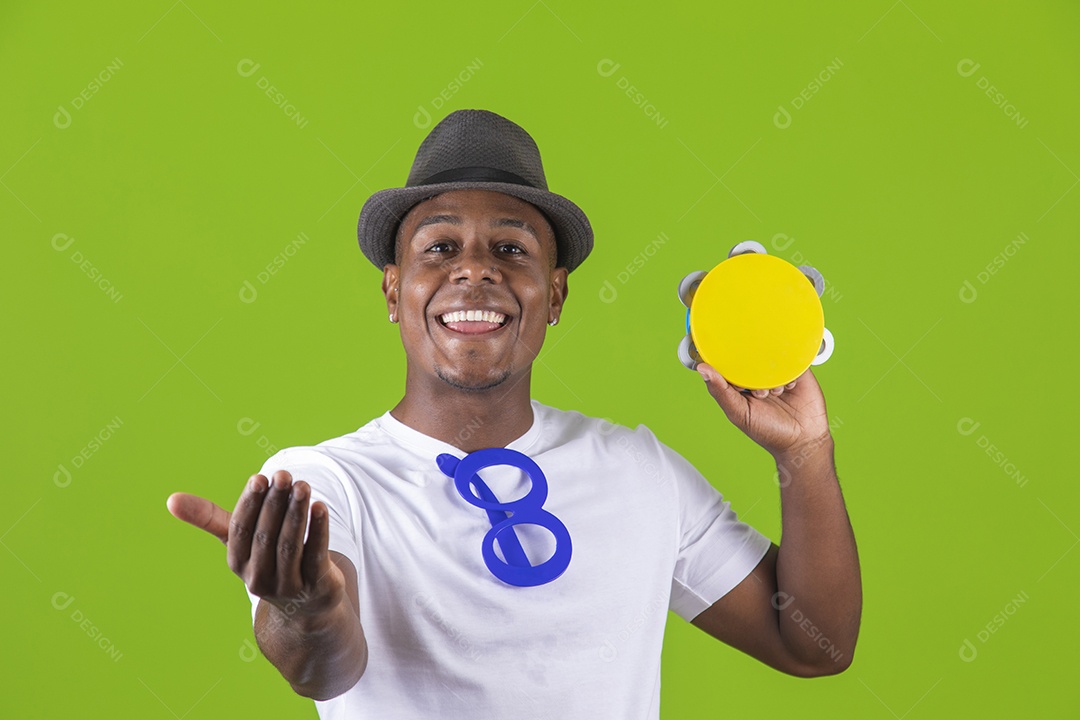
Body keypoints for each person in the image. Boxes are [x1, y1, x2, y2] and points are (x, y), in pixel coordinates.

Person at [167, 109, 861, 719]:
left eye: (511, 249)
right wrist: (305, 608)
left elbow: (811, 643)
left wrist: (805, 454)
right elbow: (324, 668)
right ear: (392, 290)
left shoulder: (638, 471)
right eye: (439, 248)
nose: (474, 270)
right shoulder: (322, 482)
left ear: (555, 296)